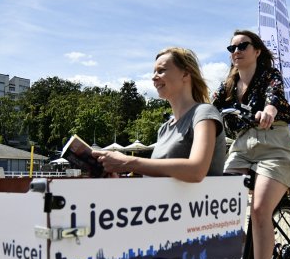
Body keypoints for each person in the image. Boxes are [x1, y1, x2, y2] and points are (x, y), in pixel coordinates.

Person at [212, 29, 290, 259]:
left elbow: (274, 96)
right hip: (241, 147)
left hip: (274, 144)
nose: (235, 51)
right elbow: (208, 110)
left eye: (242, 46)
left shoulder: (269, 76)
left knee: (260, 209)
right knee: (219, 202)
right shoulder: (227, 86)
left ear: (257, 51)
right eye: (231, 47)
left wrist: (269, 111)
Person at [94, 47, 226, 182]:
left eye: (161, 71)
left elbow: (196, 171)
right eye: (154, 72)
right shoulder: (164, 129)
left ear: (186, 74)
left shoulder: (204, 112)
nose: (153, 77)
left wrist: (128, 162)